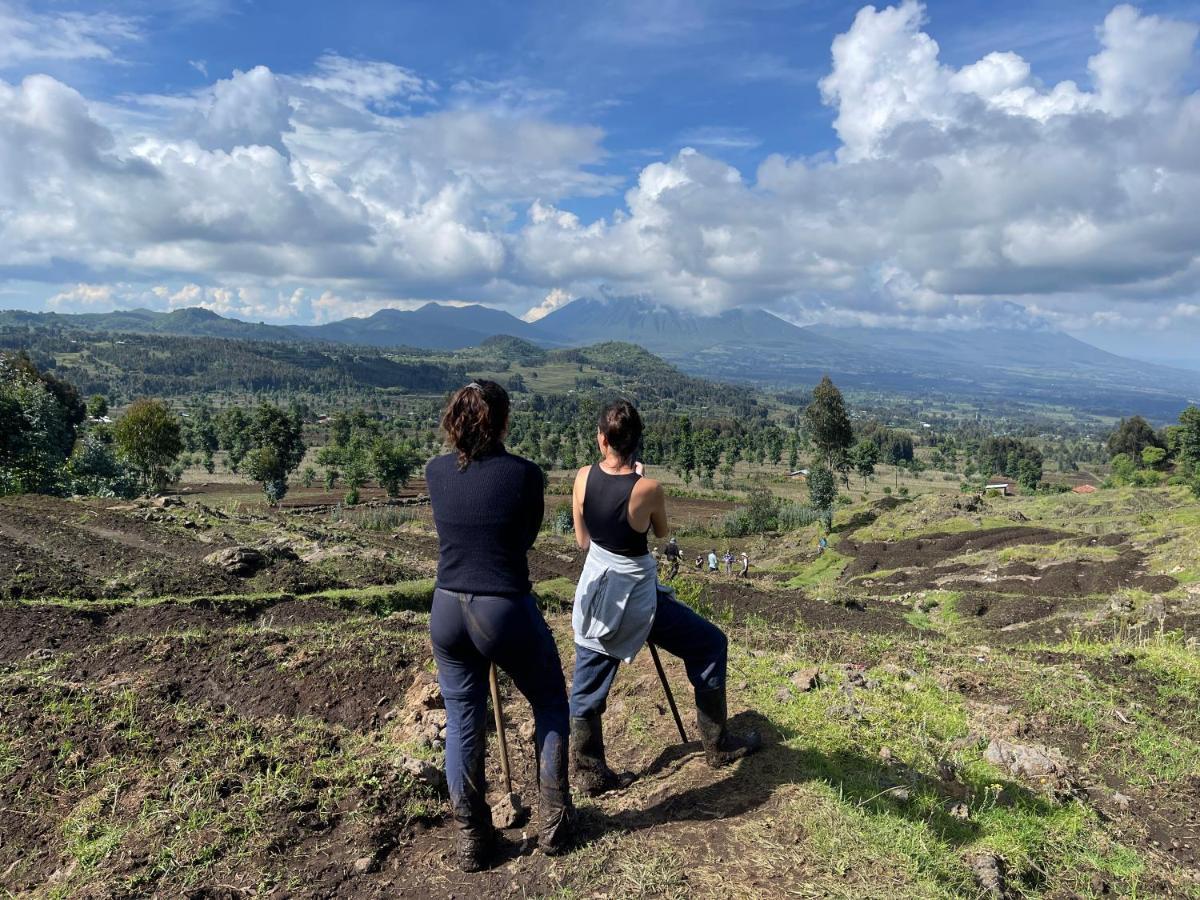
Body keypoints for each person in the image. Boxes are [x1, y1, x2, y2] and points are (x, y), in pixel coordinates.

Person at [568, 399, 762, 795]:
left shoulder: (582, 477)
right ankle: (717, 744)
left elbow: (582, 539)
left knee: (586, 686)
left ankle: (587, 770)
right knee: (709, 644)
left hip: (598, 593)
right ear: (637, 442)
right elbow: (659, 533)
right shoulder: (649, 489)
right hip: (638, 598)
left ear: (601, 440)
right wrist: (639, 482)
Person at [425, 380, 572, 871]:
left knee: (463, 719)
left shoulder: (434, 472)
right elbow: (524, 538)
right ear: (504, 423)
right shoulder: (525, 475)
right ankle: (553, 822)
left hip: (446, 609)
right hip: (503, 607)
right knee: (550, 701)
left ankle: (474, 838)